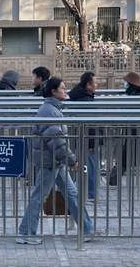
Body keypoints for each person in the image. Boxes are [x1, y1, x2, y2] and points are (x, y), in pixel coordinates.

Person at [17, 77, 93, 245]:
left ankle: (87, 229)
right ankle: (26, 232)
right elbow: (57, 142)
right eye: (63, 88)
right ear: (53, 91)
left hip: (55, 162)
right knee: (39, 196)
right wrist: (72, 160)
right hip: (50, 162)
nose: (65, 91)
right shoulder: (49, 111)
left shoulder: (52, 109)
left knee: (71, 194)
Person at [68, 71, 100, 201]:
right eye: (95, 82)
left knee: (81, 165)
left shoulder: (78, 95)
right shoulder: (86, 100)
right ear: (88, 85)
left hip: (78, 137)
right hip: (88, 138)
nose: (97, 85)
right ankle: (90, 193)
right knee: (90, 166)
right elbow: (91, 122)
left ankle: (81, 191)